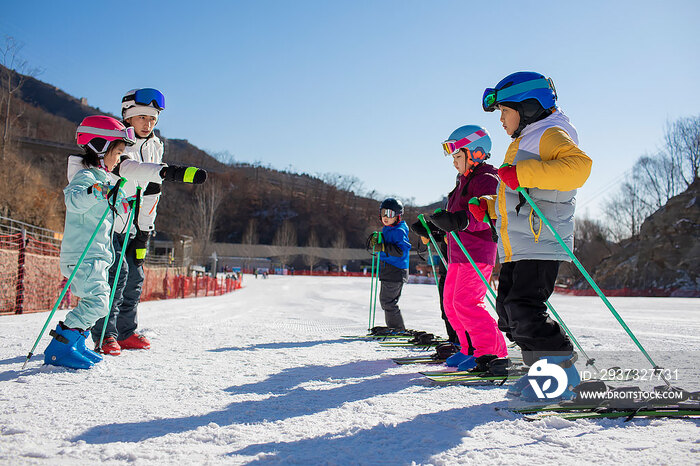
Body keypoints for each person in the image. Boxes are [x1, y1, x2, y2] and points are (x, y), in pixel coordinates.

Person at [480, 71, 592, 399]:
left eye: (505, 111)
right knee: (509, 314)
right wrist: (487, 208)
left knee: (525, 309)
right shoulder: (523, 142)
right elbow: (517, 195)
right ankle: (541, 374)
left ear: (528, 107)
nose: (501, 120)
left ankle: (563, 376)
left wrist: (523, 173)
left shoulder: (550, 133)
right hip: (520, 245)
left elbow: (579, 167)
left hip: (543, 242)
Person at [43, 116, 136, 369]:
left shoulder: (104, 180)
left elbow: (110, 206)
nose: (119, 159)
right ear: (99, 147)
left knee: (97, 302)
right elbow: (74, 201)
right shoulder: (85, 179)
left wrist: (124, 204)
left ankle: (76, 343)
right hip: (82, 255)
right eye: (117, 152)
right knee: (97, 303)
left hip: (97, 255)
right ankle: (59, 349)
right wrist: (97, 191)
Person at [427, 125, 507, 371]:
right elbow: (457, 218)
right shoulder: (463, 181)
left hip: (478, 253)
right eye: (453, 158)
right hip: (459, 255)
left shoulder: (486, 179)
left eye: (458, 156)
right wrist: (440, 228)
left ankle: (491, 352)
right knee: (451, 303)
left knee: (467, 303)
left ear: (477, 153)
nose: (454, 163)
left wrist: (460, 220)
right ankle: (469, 348)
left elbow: (484, 215)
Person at [368, 198, 411, 331]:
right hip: (388, 269)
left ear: (397, 216)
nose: (386, 217)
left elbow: (401, 250)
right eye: (383, 213)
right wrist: (378, 242)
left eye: (390, 214)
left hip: (396, 270)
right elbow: (385, 247)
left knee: (388, 302)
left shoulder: (399, 231)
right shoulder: (387, 229)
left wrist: (383, 247)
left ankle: (398, 328)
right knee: (386, 301)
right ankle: (395, 327)